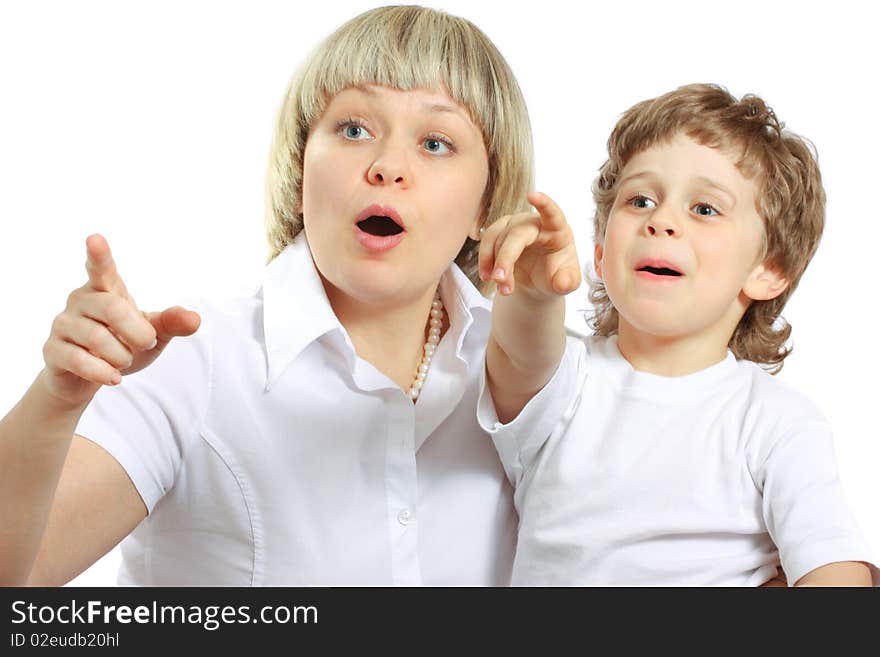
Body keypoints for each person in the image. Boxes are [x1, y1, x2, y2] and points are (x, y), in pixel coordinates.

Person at [0, 5, 535, 586]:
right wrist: (56, 402)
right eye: (354, 130)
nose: (386, 167)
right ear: (300, 172)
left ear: (486, 204)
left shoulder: (533, 384)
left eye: (435, 142)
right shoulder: (189, 360)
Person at [478, 83, 878, 585]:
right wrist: (533, 291)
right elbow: (517, 355)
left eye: (705, 209)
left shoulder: (776, 422)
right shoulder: (567, 381)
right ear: (601, 251)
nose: (661, 220)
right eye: (640, 200)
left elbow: (836, 570)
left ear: (769, 269)